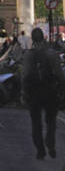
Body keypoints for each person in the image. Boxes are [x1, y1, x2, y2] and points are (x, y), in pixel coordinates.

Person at [21, 27, 64, 159]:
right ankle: (50, 144)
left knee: (36, 122)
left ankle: (40, 149)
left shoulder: (28, 55)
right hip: (50, 91)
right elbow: (60, 75)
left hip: (34, 92)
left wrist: (24, 92)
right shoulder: (52, 54)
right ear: (44, 37)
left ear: (33, 39)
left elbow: (25, 75)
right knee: (51, 121)